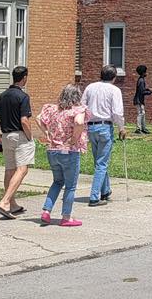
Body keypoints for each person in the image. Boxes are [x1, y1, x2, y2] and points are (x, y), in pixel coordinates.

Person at [37, 84, 87, 227]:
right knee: (70, 186)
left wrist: (46, 133)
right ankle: (66, 217)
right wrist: (74, 138)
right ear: (77, 96)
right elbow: (79, 122)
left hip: (52, 150)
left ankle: (46, 211)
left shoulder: (53, 110)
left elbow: (39, 118)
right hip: (69, 151)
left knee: (57, 181)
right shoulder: (77, 110)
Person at [0, 66, 34, 218]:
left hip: (5, 135)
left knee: (10, 169)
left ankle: (13, 204)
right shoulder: (23, 97)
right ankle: (5, 201)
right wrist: (30, 136)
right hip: (19, 136)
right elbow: (24, 120)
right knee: (22, 169)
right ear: (24, 78)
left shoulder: (3, 95)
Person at [83, 65, 126, 207]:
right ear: (114, 77)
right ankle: (94, 197)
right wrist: (121, 127)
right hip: (105, 127)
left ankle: (105, 190)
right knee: (102, 163)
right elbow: (117, 112)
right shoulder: (115, 90)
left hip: (91, 127)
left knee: (99, 161)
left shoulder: (90, 87)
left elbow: (83, 106)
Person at [132, 65, 152, 135]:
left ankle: (143, 128)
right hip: (139, 100)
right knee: (140, 113)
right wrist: (150, 92)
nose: (146, 73)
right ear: (143, 72)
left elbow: (142, 90)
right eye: (145, 72)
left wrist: (148, 89)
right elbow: (142, 92)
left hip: (140, 100)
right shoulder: (141, 80)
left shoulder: (141, 80)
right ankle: (138, 128)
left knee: (143, 113)